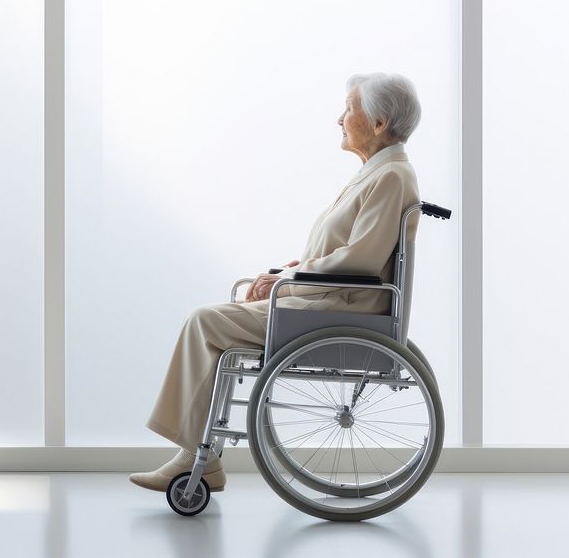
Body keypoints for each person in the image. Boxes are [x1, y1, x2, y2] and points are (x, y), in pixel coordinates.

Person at [129, 73, 423, 492]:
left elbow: (361, 259)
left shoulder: (391, 176)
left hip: (343, 307)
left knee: (205, 321)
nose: (339, 119)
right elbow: (351, 249)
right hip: (331, 297)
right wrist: (300, 267)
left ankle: (194, 457)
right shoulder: (379, 173)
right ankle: (197, 456)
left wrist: (290, 277)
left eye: (349, 109)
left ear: (379, 123)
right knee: (218, 323)